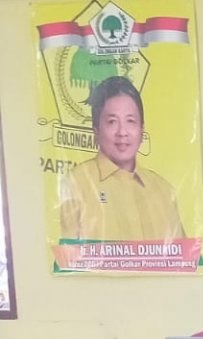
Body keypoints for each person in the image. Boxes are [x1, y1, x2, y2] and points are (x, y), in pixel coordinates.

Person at [60, 76, 185, 242]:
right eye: (112, 122)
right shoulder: (77, 183)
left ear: (142, 129)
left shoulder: (164, 191)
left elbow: (184, 256)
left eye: (130, 121)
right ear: (96, 130)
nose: (122, 132)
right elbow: (64, 253)